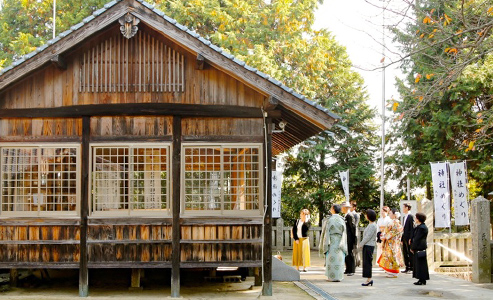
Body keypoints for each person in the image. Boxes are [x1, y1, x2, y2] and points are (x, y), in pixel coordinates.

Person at [321, 204, 347, 282]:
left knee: (331, 259)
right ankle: (339, 276)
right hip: (340, 241)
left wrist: (325, 243)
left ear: (333, 209)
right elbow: (344, 232)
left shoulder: (330, 220)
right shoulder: (342, 220)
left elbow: (327, 232)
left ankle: (331, 277)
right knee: (339, 259)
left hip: (331, 240)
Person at [377, 208, 404, 277]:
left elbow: (392, 232)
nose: (389, 214)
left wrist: (385, 236)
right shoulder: (393, 222)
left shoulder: (395, 222)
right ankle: (390, 271)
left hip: (392, 242)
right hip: (390, 242)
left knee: (392, 256)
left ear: (394, 215)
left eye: (390, 213)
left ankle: (394, 272)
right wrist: (384, 235)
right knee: (389, 256)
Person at [358, 209, 377, 286]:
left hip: (369, 245)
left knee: (368, 262)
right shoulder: (370, 224)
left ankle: (369, 279)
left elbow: (367, 237)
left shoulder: (373, 225)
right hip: (367, 245)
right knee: (366, 262)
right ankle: (368, 279)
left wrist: (361, 244)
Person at [411, 212, 430, 285]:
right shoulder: (419, 227)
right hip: (419, 247)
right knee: (419, 264)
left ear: (418, 219)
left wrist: (412, 247)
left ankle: (422, 279)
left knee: (421, 264)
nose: (415, 219)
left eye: (416, 217)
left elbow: (417, 239)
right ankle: (421, 279)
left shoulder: (421, 228)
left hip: (420, 247)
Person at [342, 202, 356, 276]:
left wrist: (353, 238)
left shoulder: (350, 216)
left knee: (350, 253)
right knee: (346, 253)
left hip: (349, 237)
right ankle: (348, 268)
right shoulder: (345, 216)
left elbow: (353, 227)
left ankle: (352, 269)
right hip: (345, 237)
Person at [401, 203, 415, 274]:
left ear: (407, 208)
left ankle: (411, 268)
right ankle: (407, 267)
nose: (402, 209)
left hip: (409, 237)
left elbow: (412, 228)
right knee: (405, 252)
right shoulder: (404, 217)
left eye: (403, 207)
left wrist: (411, 238)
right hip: (404, 237)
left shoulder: (411, 217)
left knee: (410, 252)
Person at [350, 200, 361, 267]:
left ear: (354, 207)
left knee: (355, 247)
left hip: (355, 233)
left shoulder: (356, 215)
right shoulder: (349, 214)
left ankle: (357, 262)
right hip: (350, 233)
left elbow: (355, 225)